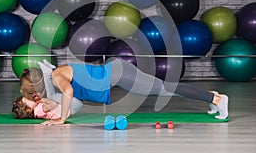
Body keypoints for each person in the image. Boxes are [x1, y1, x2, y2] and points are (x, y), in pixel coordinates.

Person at [19, 59, 229, 126]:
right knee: (165, 89)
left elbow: (69, 92)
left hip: (119, 74)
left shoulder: (57, 77)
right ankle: (210, 96)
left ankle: (217, 99)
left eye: (34, 96)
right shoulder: (55, 76)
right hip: (116, 73)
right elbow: (75, 102)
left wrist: (61, 119)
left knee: (165, 89)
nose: (37, 98)